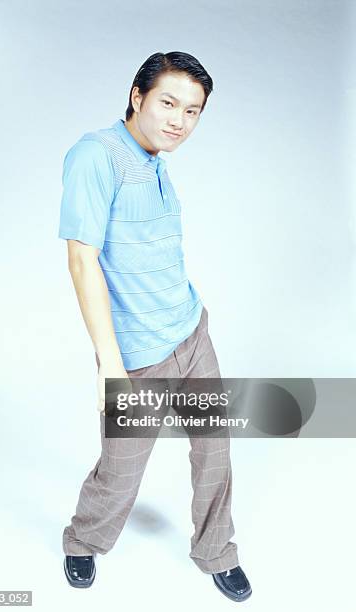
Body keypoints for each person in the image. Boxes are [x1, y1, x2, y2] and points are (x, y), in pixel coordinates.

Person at [58, 51, 252, 602]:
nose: (179, 121)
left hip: (191, 332)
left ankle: (218, 552)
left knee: (215, 450)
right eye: (169, 102)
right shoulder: (97, 156)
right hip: (138, 355)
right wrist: (110, 365)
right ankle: (83, 541)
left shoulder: (156, 158)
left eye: (192, 112)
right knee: (121, 473)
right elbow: (81, 259)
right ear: (137, 95)